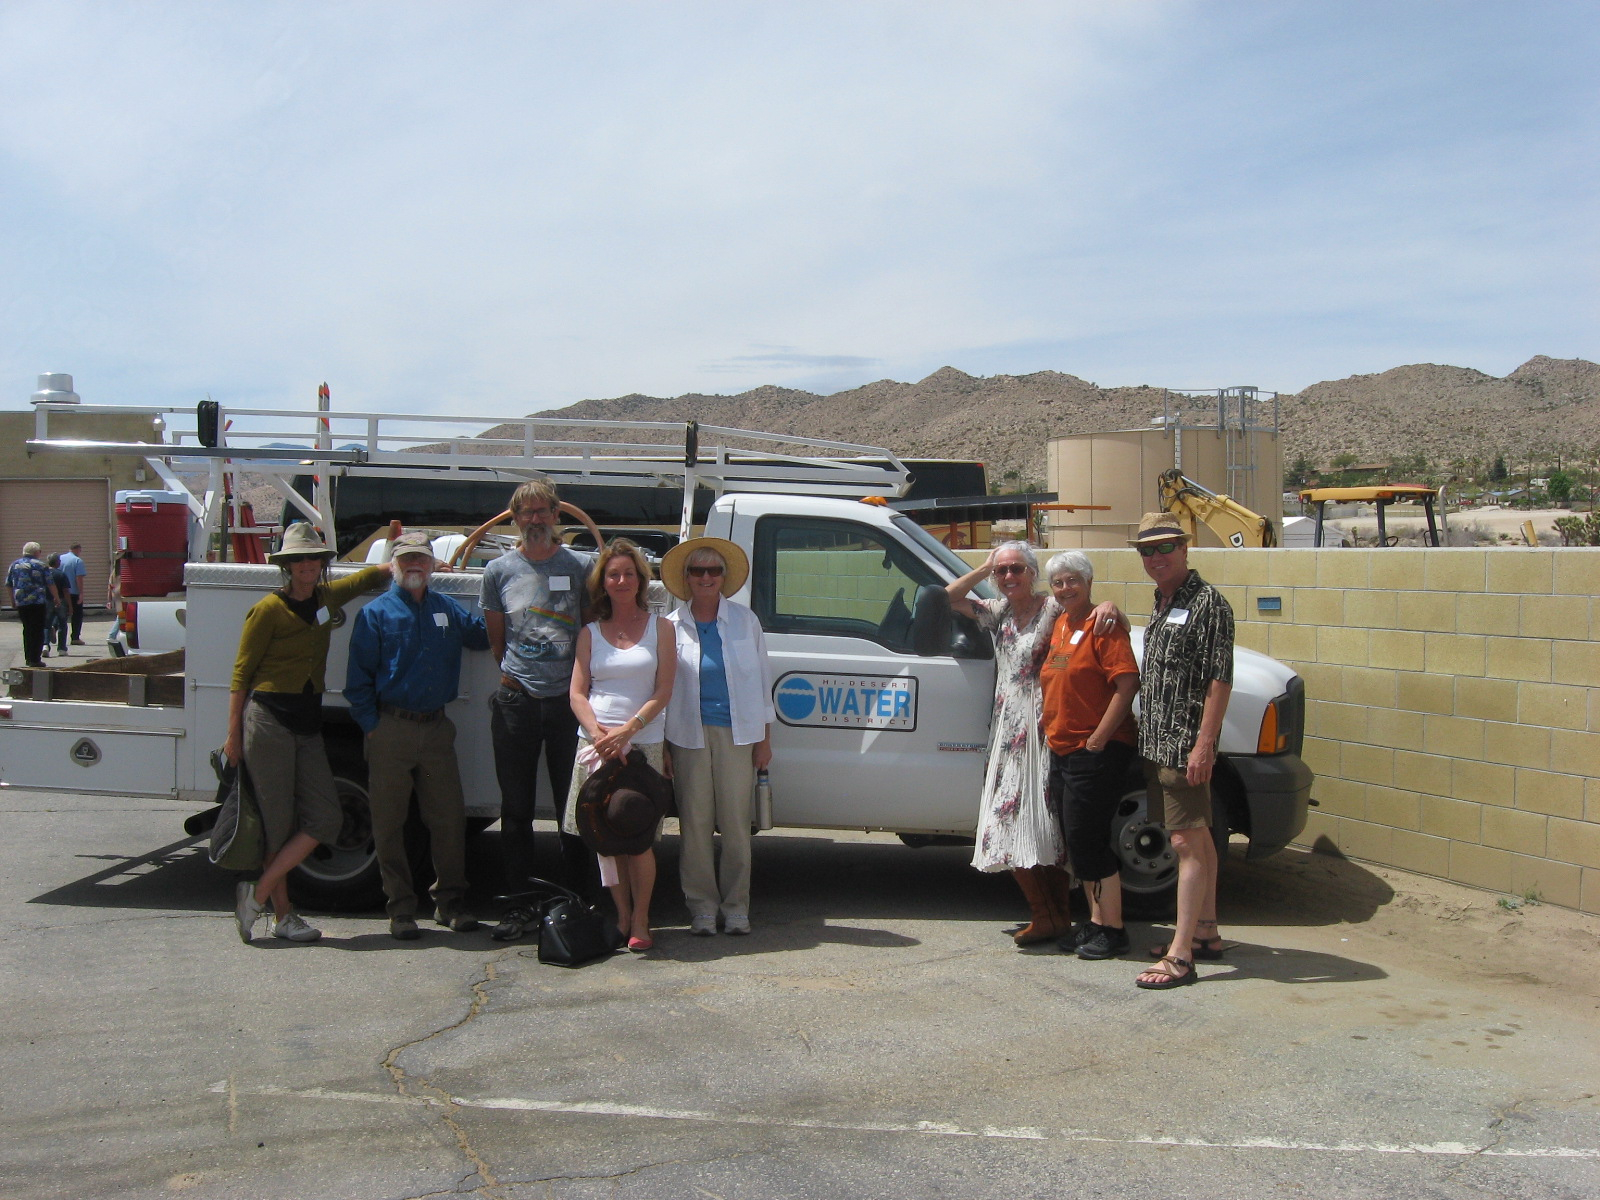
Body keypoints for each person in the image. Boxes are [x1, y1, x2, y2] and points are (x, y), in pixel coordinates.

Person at [226, 522, 391, 944]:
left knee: (326, 816)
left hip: (307, 721)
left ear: (321, 564)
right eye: (299, 559)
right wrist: (232, 738)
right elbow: (241, 675)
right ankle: (284, 917)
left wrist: (403, 560)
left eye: (314, 558)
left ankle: (257, 893)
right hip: (268, 721)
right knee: (277, 825)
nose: (307, 565)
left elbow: (366, 577)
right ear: (287, 566)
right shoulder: (267, 609)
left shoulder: (326, 597)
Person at [345, 530, 490, 941]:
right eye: (406, 559)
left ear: (431, 565)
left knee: (447, 820)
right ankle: (401, 909)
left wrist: (513, 607)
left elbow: (481, 636)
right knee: (388, 824)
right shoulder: (376, 614)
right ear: (393, 564)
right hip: (390, 729)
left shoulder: (446, 608)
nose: (414, 566)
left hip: (436, 730)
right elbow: (357, 681)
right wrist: (372, 726)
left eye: (421, 560)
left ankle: (450, 904)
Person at [482, 480, 596, 940]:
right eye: (524, 513)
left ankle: (578, 903)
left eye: (541, 511)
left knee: (573, 809)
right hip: (517, 702)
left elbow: (593, 630)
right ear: (514, 518)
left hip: (568, 704)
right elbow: (496, 640)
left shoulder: (582, 566)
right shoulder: (498, 570)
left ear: (556, 515)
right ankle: (520, 905)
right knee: (516, 810)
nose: (534, 520)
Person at [945, 541, 1073, 943]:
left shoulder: (1053, 609)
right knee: (1006, 818)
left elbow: (1092, 614)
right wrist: (985, 567)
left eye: (1017, 569)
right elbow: (947, 597)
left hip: (1041, 725)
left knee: (1043, 821)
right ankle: (1045, 914)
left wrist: (1110, 609)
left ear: (1033, 572)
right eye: (1003, 571)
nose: (1009, 577)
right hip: (1006, 727)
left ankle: (1056, 917)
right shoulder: (998, 612)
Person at [1128, 513, 1234, 990]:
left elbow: (1219, 677)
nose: (1156, 558)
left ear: (1185, 548)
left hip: (1182, 745)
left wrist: (1204, 743)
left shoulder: (1209, 603)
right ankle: (1207, 931)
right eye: (1146, 550)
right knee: (1200, 837)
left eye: (1164, 547)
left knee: (1184, 844)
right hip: (1157, 741)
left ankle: (1181, 953)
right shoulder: (1163, 600)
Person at [565, 540, 676, 951]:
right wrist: (599, 734)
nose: (622, 580)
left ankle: (643, 917)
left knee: (638, 836)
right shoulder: (589, 633)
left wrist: (629, 730)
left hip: (641, 745)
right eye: (614, 574)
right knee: (605, 838)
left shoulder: (661, 628)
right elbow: (577, 693)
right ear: (603, 583)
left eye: (629, 573)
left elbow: (663, 690)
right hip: (596, 748)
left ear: (641, 580)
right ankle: (622, 914)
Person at [662, 537, 773, 936]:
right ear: (687, 578)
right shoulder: (671, 627)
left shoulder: (746, 621)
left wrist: (764, 740)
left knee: (736, 824)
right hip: (686, 735)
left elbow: (763, 681)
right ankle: (702, 907)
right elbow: (661, 690)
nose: (706, 577)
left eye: (714, 571)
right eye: (698, 571)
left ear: (724, 578)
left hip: (739, 735)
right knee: (694, 824)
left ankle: (736, 906)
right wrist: (663, 747)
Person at [1037, 551, 1139, 961]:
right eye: (1058, 582)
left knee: (1090, 842)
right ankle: (1095, 922)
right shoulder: (1061, 623)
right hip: (1063, 749)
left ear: (1089, 582)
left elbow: (1127, 684)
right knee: (1078, 843)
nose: (1065, 588)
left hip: (1095, 751)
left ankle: (1113, 929)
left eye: (1073, 580)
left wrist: (1098, 738)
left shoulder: (1104, 623)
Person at [6, 541, 56, 670]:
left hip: (22, 602)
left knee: (27, 629)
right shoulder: (41, 565)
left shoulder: (15, 565)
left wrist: (12, 600)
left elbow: (9, 584)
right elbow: (50, 583)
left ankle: (29, 657)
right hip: (37, 602)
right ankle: (35, 659)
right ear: (36, 552)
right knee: (37, 629)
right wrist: (56, 597)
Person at [59, 542, 88, 644]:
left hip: (60, 592)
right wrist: (81, 593)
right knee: (77, 615)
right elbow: (78, 578)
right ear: (78, 549)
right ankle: (75, 637)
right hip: (73, 592)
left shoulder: (60, 558)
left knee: (60, 614)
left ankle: (56, 630)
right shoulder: (77, 561)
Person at [44, 554, 71, 658]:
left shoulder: (44, 574)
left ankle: (45, 645)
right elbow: (66, 591)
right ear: (57, 562)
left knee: (46, 624)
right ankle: (61, 648)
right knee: (62, 624)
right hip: (61, 600)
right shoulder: (61, 574)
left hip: (47, 601)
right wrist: (70, 606)